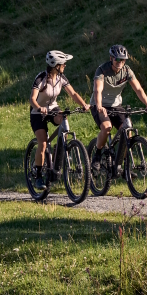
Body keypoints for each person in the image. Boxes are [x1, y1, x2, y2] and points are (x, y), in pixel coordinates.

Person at [29, 50, 89, 190]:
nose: (65, 66)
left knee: (63, 119)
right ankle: (38, 176)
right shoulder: (41, 78)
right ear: (56, 65)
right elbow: (32, 99)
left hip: (53, 108)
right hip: (38, 112)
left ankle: (59, 150)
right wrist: (39, 108)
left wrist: (84, 104)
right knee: (43, 144)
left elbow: (73, 93)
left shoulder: (61, 78)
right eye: (63, 64)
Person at [90, 44, 147, 168]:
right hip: (99, 104)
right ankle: (97, 154)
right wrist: (99, 106)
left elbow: (138, 89)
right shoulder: (102, 70)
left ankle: (124, 167)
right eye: (117, 59)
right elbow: (97, 90)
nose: (120, 62)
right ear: (111, 59)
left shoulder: (127, 71)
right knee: (106, 127)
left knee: (127, 131)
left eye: (123, 59)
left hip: (116, 105)